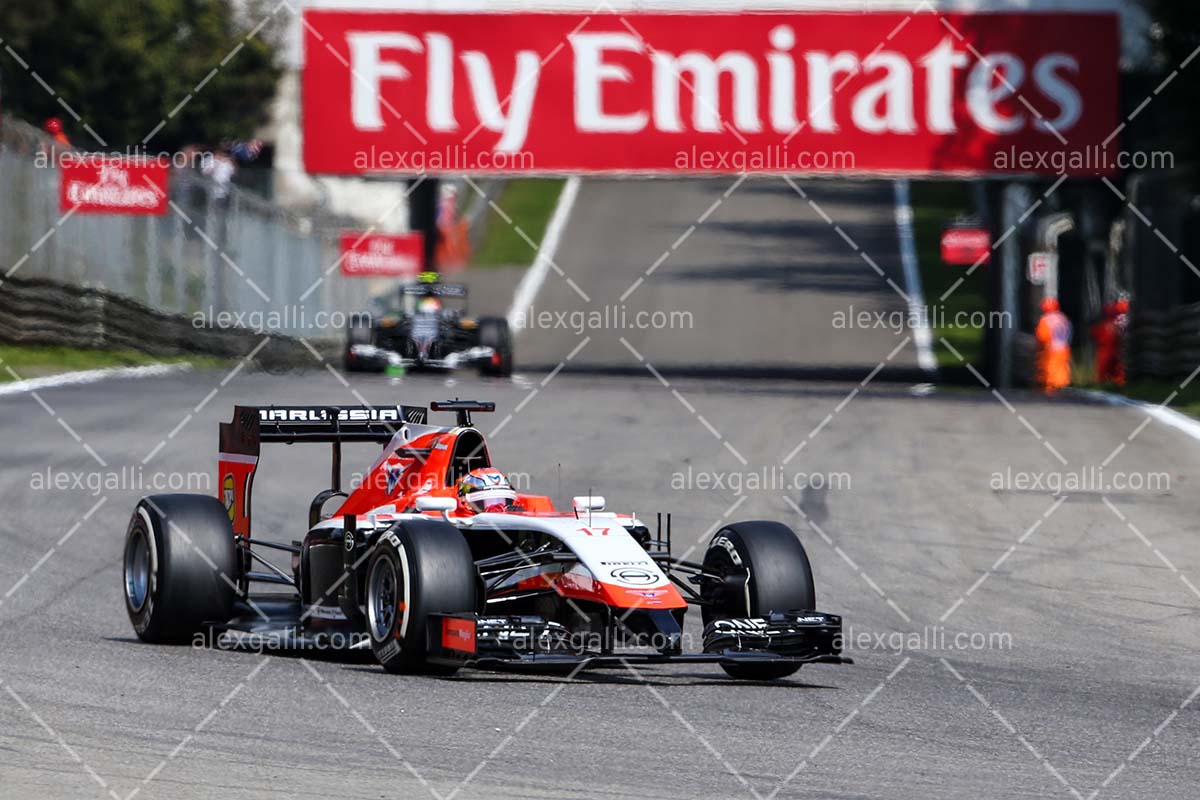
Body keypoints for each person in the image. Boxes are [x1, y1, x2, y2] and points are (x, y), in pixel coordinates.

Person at [1035, 297, 1072, 392]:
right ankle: (1061, 383)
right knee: (1062, 366)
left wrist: (1040, 346)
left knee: (1050, 367)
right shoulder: (1063, 318)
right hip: (1064, 347)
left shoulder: (1046, 319)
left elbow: (1042, 336)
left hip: (1051, 348)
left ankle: (1051, 386)